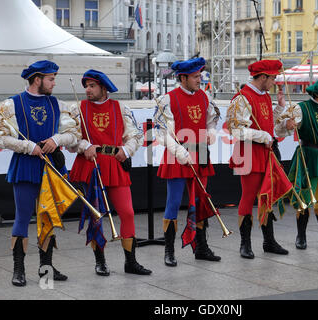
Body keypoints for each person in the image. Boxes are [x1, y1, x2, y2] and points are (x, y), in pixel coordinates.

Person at [0, 60, 80, 286]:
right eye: (50, 79)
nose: (54, 82)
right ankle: (18, 269)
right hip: (26, 166)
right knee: (22, 217)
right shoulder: (12, 105)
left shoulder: (58, 105)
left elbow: (73, 134)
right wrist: (28, 146)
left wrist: (56, 139)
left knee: (49, 216)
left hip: (51, 167)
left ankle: (45, 268)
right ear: (37, 79)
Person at [68, 69, 151, 275]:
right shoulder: (77, 109)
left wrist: (126, 150)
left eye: (92, 86)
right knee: (96, 215)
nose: (87, 90)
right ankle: (100, 261)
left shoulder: (120, 107)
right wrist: (83, 145)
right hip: (91, 165)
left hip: (114, 164)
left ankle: (130, 262)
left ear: (103, 88)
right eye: (86, 86)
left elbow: (135, 135)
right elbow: (69, 138)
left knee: (128, 213)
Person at [153, 57, 221, 267]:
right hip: (178, 154)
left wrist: (211, 131)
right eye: (195, 76)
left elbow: (211, 120)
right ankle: (169, 250)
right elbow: (161, 133)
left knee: (201, 201)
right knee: (173, 203)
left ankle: (201, 247)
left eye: (200, 76)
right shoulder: (168, 99)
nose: (199, 80)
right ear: (183, 78)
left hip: (200, 153)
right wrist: (180, 152)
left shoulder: (204, 97)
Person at [226, 59, 292, 259]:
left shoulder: (264, 96)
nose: (274, 82)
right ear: (263, 77)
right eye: (272, 78)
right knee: (248, 197)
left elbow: (268, 126)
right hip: (247, 152)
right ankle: (245, 244)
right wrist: (264, 137)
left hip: (264, 152)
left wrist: (280, 110)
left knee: (267, 196)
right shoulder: (242, 98)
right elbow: (236, 130)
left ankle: (268, 241)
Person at [276, 77, 318, 250]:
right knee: (306, 199)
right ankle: (301, 236)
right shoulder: (301, 108)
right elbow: (279, 128)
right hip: (309, 157)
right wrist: (288, 124)